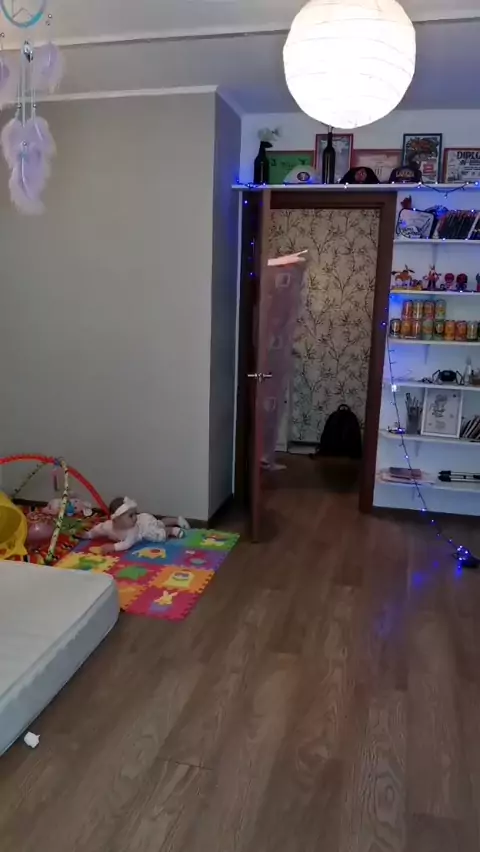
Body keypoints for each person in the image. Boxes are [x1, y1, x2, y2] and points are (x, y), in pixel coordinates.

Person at [84, 496, 189, 554]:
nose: (135, 517)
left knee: (158, 534)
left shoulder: (132, 530)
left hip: (145, 527)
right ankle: (176, 520)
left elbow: (127, 544)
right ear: (116, 520)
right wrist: (88, 535)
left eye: (135, 514)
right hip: (145, 521)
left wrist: (113, 547)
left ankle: (172, 530)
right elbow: (98, 530)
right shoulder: (108, 526)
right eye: (131, 516)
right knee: (159, 523)